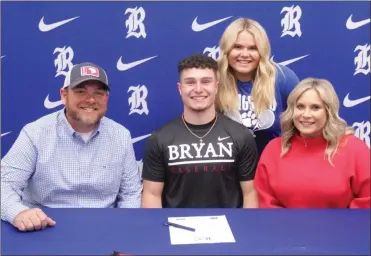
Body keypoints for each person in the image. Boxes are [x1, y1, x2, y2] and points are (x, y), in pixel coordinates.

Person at [1, 62, 142, 232]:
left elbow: (130, 194)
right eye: (81, 91)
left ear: (107, 98)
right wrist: (19, 213)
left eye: (99, 92)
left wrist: (124, 230)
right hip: (44, 228)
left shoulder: (121, 136)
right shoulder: (35, 133)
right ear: (64, 94)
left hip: (104, 230)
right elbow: (5, 184)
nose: (91, 100)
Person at [141, 54, 259, 208]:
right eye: (190, 82)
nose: (198, 89)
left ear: (216, 87)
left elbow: (250, 193)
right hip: (178, 229)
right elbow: (151, 194)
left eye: (206, 82)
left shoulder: (241, 136)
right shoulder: (159, 139)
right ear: (180, 88)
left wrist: (245, 229)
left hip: (229, 229)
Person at [254, 78, 370, 208]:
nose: (306, 114)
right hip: (285, 227)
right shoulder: (274, 149)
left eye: (315, 107)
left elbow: (367, 201)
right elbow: (265, 201)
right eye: (300, 107)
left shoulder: (355, 149)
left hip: (341, 227)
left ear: (329, 111)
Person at [217, 17, 300, 156]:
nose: (244, 54)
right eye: (237, 47)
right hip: (228, 169)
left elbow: (306, 118)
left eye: (253, 48)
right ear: (227, 49)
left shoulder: (283, 78)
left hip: (273, 166)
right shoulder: (214, 79)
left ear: (262, 51)